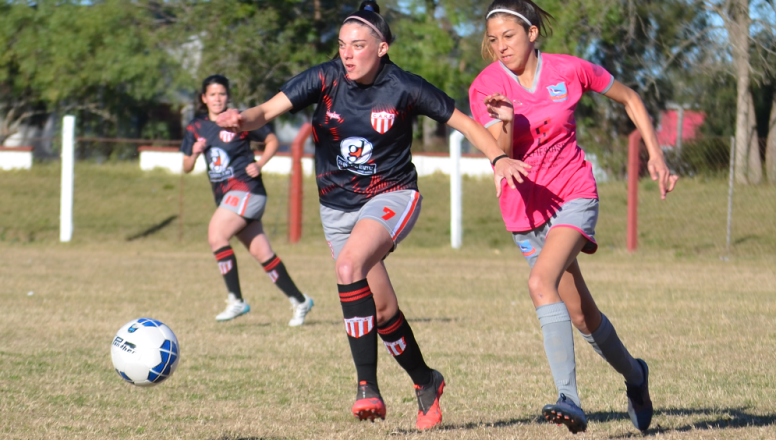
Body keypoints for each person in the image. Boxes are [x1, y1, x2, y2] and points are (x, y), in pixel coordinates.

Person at [216, 1, 530, 429]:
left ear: (382, 47)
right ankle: (426, 380)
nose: (348, 53)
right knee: (381, 312)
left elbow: (468, 125)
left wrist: (498, 158)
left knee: (349, 267)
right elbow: (266, 112)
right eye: (343, 45)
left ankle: (367, 387)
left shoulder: (405, 86)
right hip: (337, 208)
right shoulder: (324, 78)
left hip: (392, 195)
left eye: (358, 45)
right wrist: (240, 119)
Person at [469, 0, 679, 434]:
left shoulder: (569, 69)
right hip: (524, 211)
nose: (501, 46)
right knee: (582, 315)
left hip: (573, 195)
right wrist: (505, 120)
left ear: (531, 34)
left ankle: (569, 397)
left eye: (509, 36)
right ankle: (636, 377)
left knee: (539, 283)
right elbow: (500, 155)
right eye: (493, 40)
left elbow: (630, 98)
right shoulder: (486, 86)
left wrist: (656, 154)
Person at [181, 74, 314, 326]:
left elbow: (272, 140)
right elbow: (186, 166)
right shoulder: (196, 128)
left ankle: (236, 300)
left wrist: (261, 162)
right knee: (263, 254)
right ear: (204, 98)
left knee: (216, 235)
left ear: (227, 96)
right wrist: (195, 154)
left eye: (221, 93)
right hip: (228, 198)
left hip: (247, 190)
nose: (217, 98)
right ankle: (300, 301)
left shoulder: (238, 119)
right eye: (212, 94)